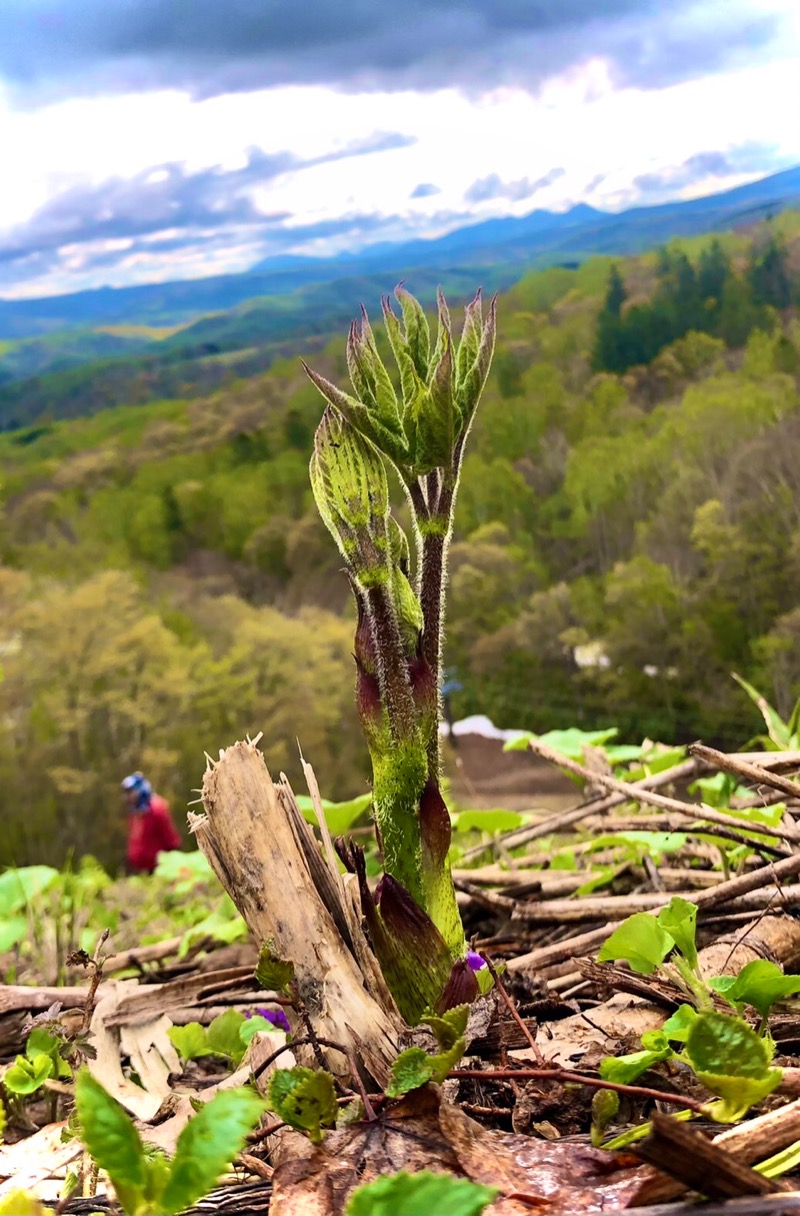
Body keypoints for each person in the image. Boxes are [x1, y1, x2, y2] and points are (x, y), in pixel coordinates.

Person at [122, 772, 182, 874]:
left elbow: (171, 841)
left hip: (159, 869)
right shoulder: (134, 813)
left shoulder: (157, 809)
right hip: (140, 871)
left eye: (131, 792)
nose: (129, 796)